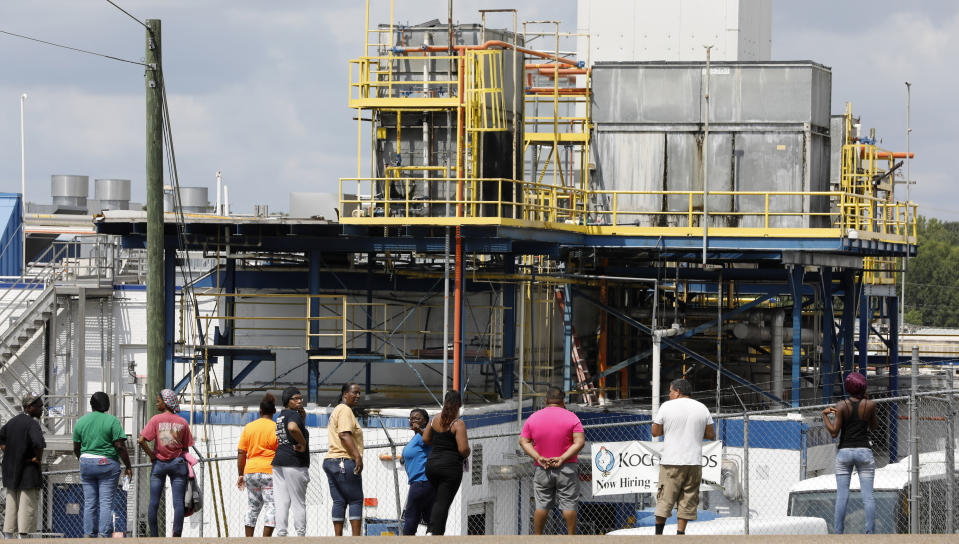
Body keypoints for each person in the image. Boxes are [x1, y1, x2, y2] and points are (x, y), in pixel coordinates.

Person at [650, 378, 715, 536]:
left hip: (672, 461)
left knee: (665, 498)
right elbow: (711, 434)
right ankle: (680, 534)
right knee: (688, 499)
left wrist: (670, 429)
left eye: (671, 392)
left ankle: (659, 535)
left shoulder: (667, 406)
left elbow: (655, 432)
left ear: (677, 391)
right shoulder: (702, 408)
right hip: (694, 462)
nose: (670, 395)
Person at [519, 387, 585, 535]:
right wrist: (562, 458)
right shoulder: (572, 418)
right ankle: (571, 538)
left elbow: (523, 441)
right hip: (567, 467)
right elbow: (579, 442)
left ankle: (537, 537)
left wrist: (537, 457)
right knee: (568, 504)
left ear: (545, 401)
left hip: (542, 467)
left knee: (542, 505)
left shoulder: (533, 418)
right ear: (563, 401)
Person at [822, 371, 878, 534]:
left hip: (844, 452)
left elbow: (834, 432)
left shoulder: (841, 406)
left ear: (848, 387)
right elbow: (874, 427)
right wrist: (866, 405)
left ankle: (839, 532)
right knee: (868, 496)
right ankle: (869, 533)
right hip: (864, 451)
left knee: (842, 495)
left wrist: (825, 415)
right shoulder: (870, 405)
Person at [73, 392, 133, 538]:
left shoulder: (81, 421)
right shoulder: (112, 421)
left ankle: (88, 534)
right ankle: (103, 535)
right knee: (106, 502)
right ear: (107, 405)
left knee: (89, 502)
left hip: (86, 462)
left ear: (91, 405)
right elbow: (119, 446)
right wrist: (128, 466)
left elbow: (76, 446)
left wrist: (83, 459)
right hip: (107, 463)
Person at [137, 388, 194, 537]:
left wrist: (152, 455)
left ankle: (154, 537)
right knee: (178, 503)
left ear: (166, 402)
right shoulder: (182, 422)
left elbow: (141, 440)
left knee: (154, 503)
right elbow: (186, 447)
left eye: (159, 400)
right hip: (178, 465)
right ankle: (176, 536)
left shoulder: (156, 420)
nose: (157, 402)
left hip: (159, 465)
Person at [422, 390, 471, 536]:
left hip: (431, 466)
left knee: (440, 500)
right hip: (450, 469)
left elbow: (425, 439)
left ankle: (437, 532)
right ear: (460, 405)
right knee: (443, 503)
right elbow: (463, 450)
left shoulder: (434, 419)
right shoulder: (458, 424)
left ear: (444, 403)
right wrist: (468, 451)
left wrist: (437, 444)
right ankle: (433, 532)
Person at [0, 394, 46, 537]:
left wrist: (12, 453)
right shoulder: (32, 424)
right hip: (28, 470)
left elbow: (1, 440)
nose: (42, 409)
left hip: (11, 470)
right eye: (39, 406)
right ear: (28, 407)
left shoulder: (12, 422)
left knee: (11, 504)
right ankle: (23, 537)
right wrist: (37, 459)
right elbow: (39, 444)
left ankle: (7, 536)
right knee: (27, 505)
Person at [323, 382, 364, 536]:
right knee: (355, 499)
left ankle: (338, 538)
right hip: (344, 460)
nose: (358, 396)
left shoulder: (337, 410)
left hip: (330, 461)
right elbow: (344, 434)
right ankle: (355, 539)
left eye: (359, 393)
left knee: (339, 500)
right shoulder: (345, 410)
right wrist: (357, 456)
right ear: (344, 394)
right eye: (354, 392)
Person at [237, 392, 279, 537]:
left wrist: (241, 474)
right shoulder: (277, 428)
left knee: (252, 507)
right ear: (274, 411)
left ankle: (249, 539)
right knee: (271, 506)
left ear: (260, 411)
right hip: (270, 471)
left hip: (251, 471)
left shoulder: (249, 427)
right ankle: (265, 540)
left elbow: (241, 452)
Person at [273, 386, 310, 536]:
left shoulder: (281, 416)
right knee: (298, 502)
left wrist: (303, 419)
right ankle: (300, 535)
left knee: (282, 502)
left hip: (279, 462)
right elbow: (293, 428)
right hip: (294, 462)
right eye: (296, 398)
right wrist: (303, 443)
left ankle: (281, 535)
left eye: (301, 398)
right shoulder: (293, 415)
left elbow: (291, 428)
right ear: (288, 401)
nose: (300, 401)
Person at [401, 408, 434, 535]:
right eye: (411, 418)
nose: (413, 420)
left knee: (410, 520)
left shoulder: (424, 435)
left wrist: (420, 430)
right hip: (421, 483)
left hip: (421, 482)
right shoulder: (416, 437)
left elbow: (430, 439)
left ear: (425, 421)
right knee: (429, 518)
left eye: (417, 418)